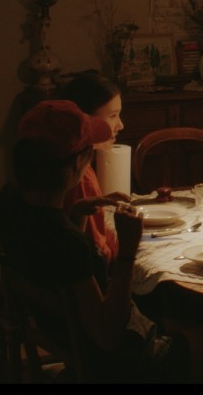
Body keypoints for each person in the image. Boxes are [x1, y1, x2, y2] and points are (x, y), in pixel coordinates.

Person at [0, 100, 189, 382]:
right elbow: (108, 335)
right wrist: (127, 250)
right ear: (78, 162)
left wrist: (77, 213)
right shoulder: (68, 242)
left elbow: (60, 270)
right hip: (113, 362)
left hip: (62, 335)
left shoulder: (11, 201)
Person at [60, 71, 125, 266]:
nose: (120, 125)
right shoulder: (81, 177)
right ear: (86, 121)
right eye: (113, 116)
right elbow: (98, 255)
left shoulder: (74, 164)